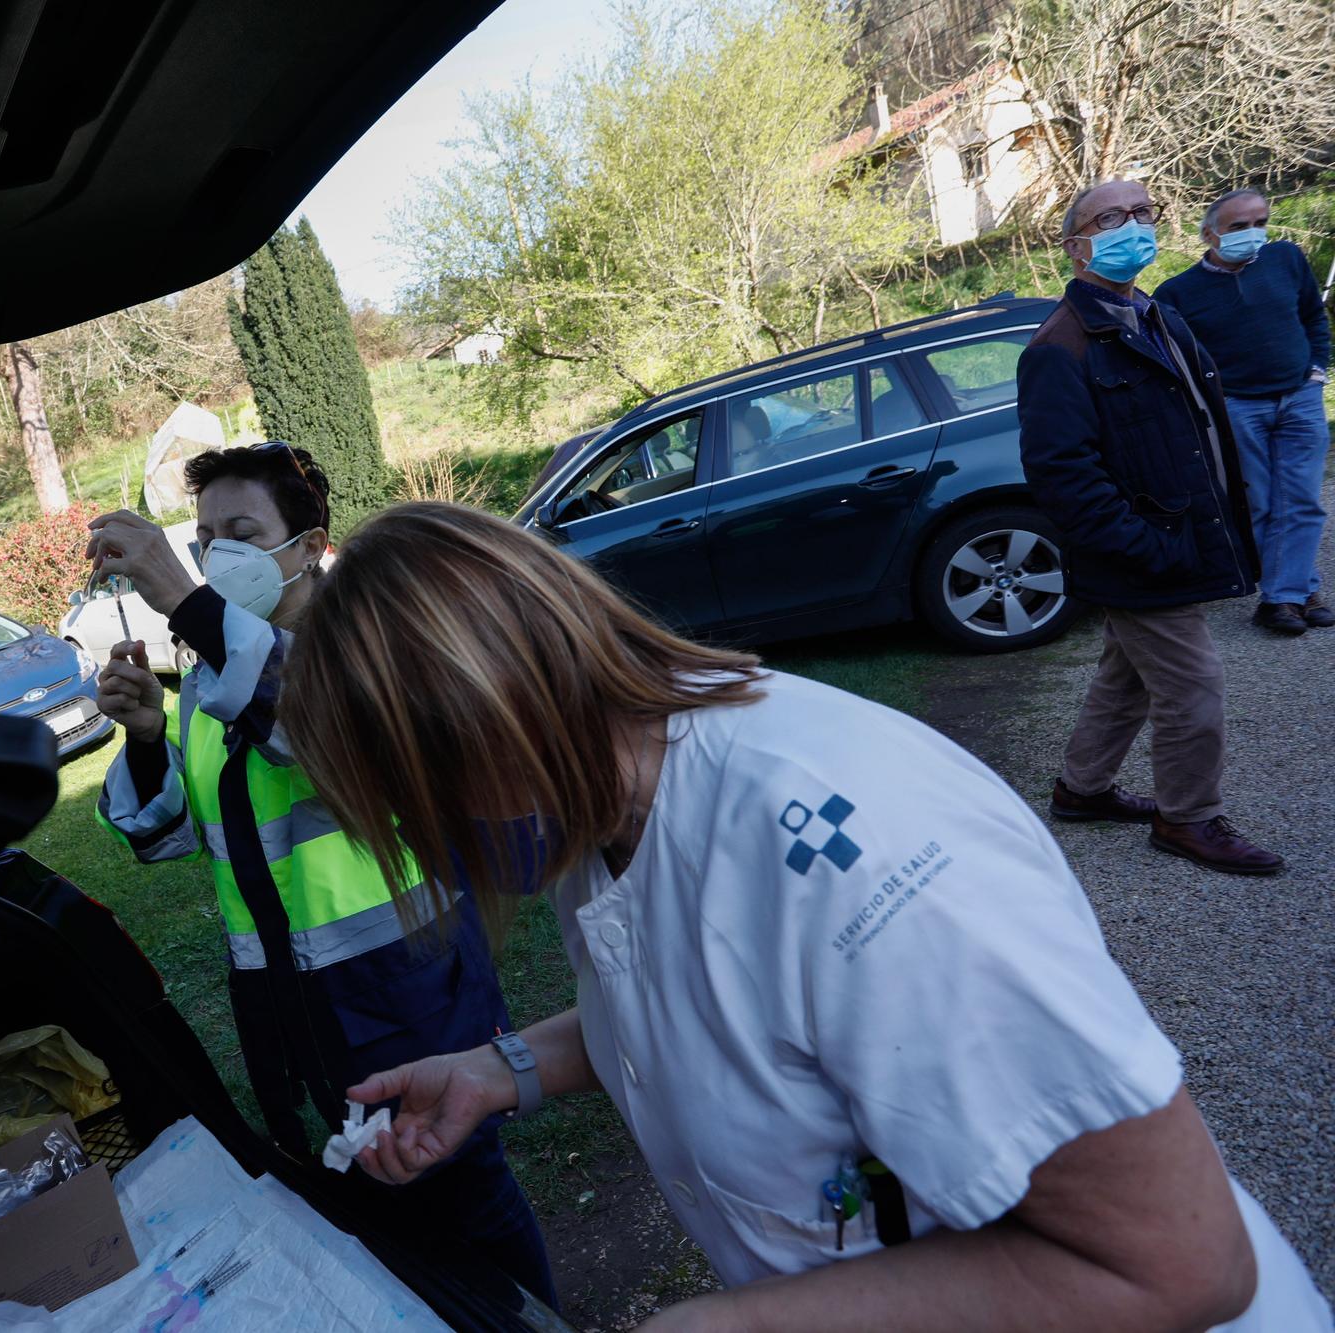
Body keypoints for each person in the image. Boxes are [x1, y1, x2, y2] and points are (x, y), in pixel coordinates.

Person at [275, 500, 1330, 1333]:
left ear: (489, 727)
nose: (420, 843)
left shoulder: (863, 861)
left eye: (409, 804)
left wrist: (733, 1324)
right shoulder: (599, 798)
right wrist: (497, 1068)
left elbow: (1178, 1266)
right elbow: (707, 997)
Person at [84, 443, 556, 1306]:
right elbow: (167, 837)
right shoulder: (211, 680)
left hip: (408, 998)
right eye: (202, 537)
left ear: (306, 547)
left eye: (241, 532)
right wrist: (150, 737)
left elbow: (315, 723)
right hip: (286, 1015)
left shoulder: (368, 649)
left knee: (465, 1205)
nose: (216, 553)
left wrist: (182, 598)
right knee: (370, 1227)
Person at [1017, 178, 1283, 876]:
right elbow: (1062, 476)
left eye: (1141, 212)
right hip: (1142, 553)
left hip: (1177, 535)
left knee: (1126, 674)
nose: (1133, 225)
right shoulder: (1060, 346)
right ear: (1077, 246)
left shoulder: (1152, 312)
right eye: (1111, 217)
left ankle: (1082, 788)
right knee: (1192, 686)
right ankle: (1187, 818)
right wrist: (1148, 548)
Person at [1156, 187, 1333, 634]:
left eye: (1260, 222)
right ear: (1210, 235)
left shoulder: (1286, 259)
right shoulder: (1178, 292)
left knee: (1302, 500)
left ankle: (1279, 600)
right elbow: (1179, 360)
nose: (1253, 233)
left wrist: (1316, 370)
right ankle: (1301, 590)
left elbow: (1314, 316)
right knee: (1260, 504)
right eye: (1239, 226)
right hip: (1238, 408)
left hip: (1300, 397)